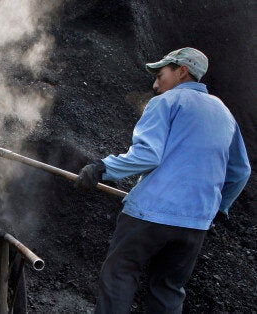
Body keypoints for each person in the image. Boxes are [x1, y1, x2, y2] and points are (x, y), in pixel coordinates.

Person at [75, 47, 251, 313]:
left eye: (161, 75)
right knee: (168, 289)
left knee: (119, 273)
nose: (156, 84)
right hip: (196, 223)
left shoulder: (166, 102)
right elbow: (240, 171)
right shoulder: (224, 112)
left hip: (150, 214)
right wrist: (218, 210)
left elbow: (148, 155)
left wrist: (102, 168)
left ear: (182, 71)